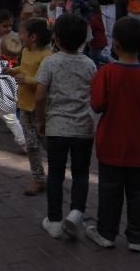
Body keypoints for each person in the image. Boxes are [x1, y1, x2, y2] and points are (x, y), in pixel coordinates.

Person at [85, 17, 140, 251]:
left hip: (111, 143)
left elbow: (97, 104)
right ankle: (136, 237)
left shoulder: (107, 73)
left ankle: (106, 233)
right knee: (139, 194)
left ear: (116, 44)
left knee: (109, 191)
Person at [35, 13, 96, 240]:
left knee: (56, 174)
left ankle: (54, 220)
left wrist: (41, 120)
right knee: (81, 172)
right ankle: (77, 212)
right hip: (83, 128)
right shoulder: (90, 64)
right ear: (83, 39)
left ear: (56, 38)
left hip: (56, 127)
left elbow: (40, 95)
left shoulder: (50, 62)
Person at [8, 17, 53, 195]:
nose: (20, 37)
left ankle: (56, 171)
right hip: (25, 107)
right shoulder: (26, 51)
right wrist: (14, 70)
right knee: (32, 145)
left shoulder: (46, 57)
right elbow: (25, 69)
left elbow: (44, 81)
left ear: (33, 37)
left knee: (47, 143)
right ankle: (38, 179)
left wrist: (25, 79)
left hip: (40, 109)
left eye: (22, 33)